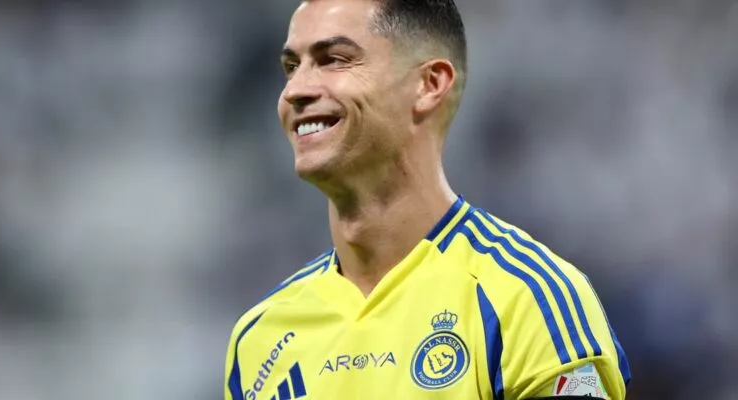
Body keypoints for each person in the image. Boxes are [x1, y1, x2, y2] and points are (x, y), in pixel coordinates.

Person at [223, 0, 630, 398]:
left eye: (333, 59)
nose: (295, 90)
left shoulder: (528, 299)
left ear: (429, 84)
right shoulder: (259, 337)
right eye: (292, 67)